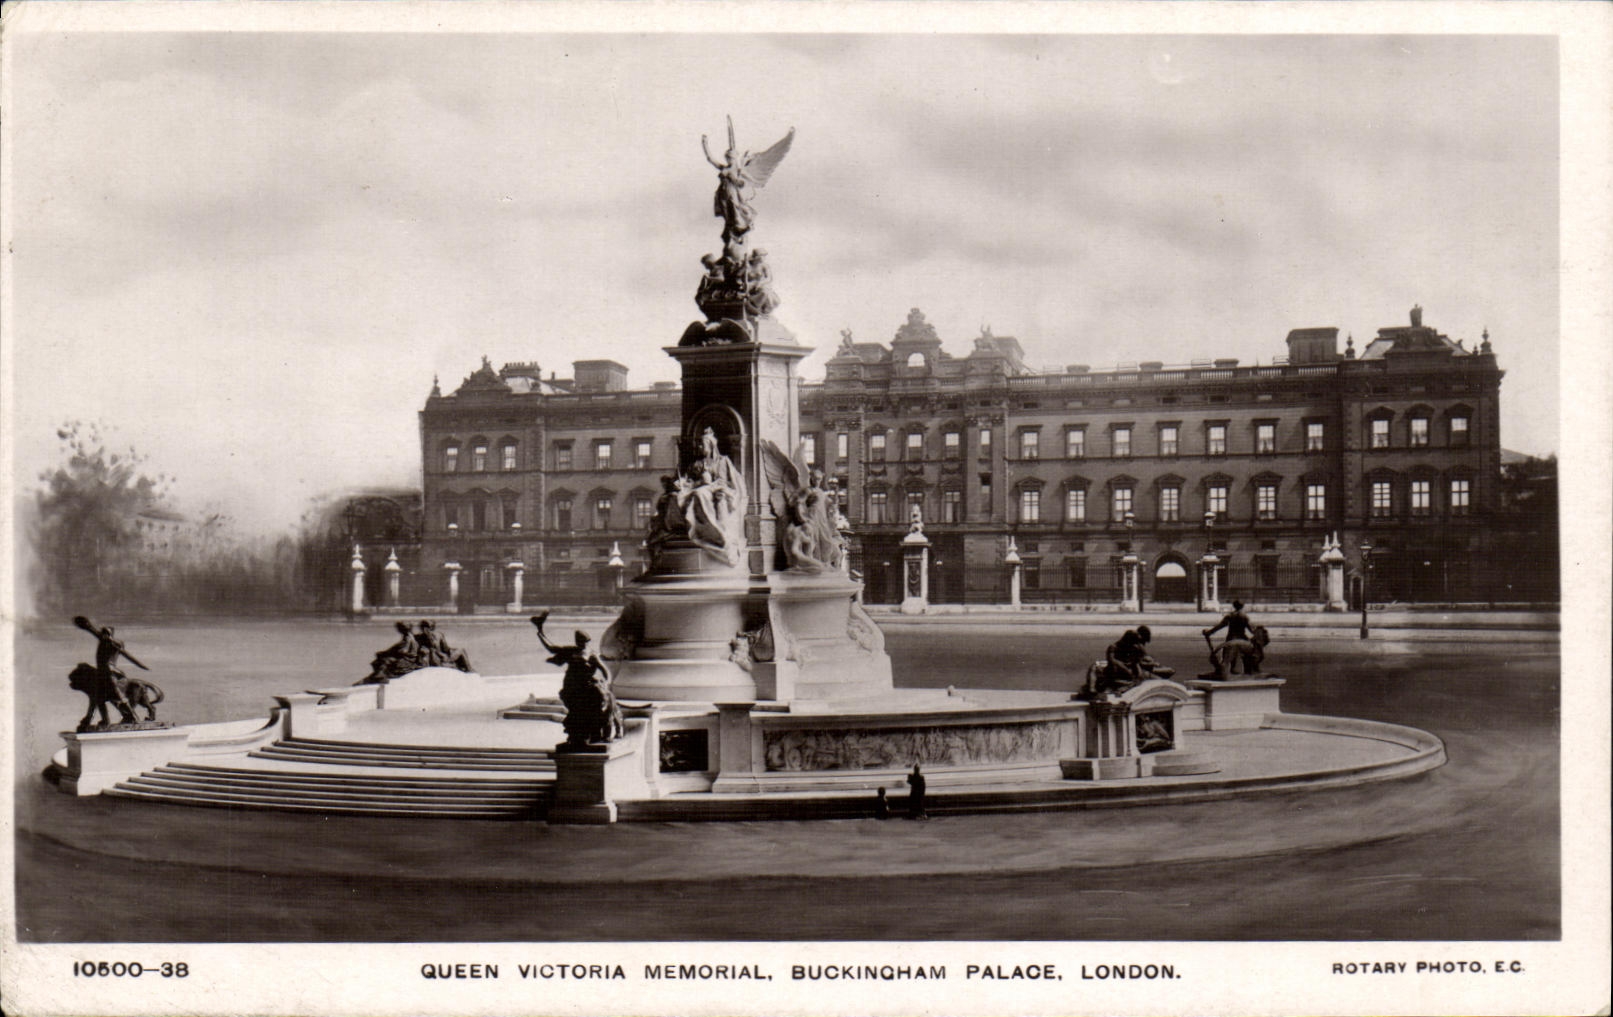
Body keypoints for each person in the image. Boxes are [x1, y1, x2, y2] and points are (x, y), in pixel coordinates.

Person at [532, 612, 623, 748]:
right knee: (575, 711)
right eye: (578, 641)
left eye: (582, 641)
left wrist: (607, 683)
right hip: (572, 686)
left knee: (593, 707)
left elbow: (605, 670)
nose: (579, 643)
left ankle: (593, 734)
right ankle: (577, 735)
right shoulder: (571, 651)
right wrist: (540, 632)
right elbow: (551, 648)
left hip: (586, 686)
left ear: (586, 641)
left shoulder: (591, 654)